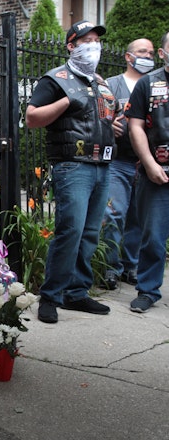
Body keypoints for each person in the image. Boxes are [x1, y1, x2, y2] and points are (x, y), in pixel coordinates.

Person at [26, 20, 122, 324]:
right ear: (71, 46)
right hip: (73, 166)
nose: (93, 45)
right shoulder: (56, 79)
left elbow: (101, 116)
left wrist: (112, 125)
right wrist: (68, 100)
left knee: (91, 233)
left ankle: (76, 293)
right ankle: (51, 297)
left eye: (96, 40)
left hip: (102, 165)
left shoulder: (100, 81)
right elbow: (31, 117)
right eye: (86, 40)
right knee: (70, 231)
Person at [100, 38, 155, 289]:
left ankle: (130, 265)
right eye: (142, 51)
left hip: (147, 163)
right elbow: (96, 115)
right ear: (128, 56)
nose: (148, 55)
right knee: (114, 213)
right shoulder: (112, 84)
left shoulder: (156, 84)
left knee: (138, 218)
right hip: (118, 161)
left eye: (151, 52)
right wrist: (107, 124)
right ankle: (111, 267)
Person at [125, 31, 169, 313]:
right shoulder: (148, 83)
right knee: (152, 235)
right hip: (157, 173)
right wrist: (150, 163)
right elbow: (135, 125)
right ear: (163, 53)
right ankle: (148, 290)